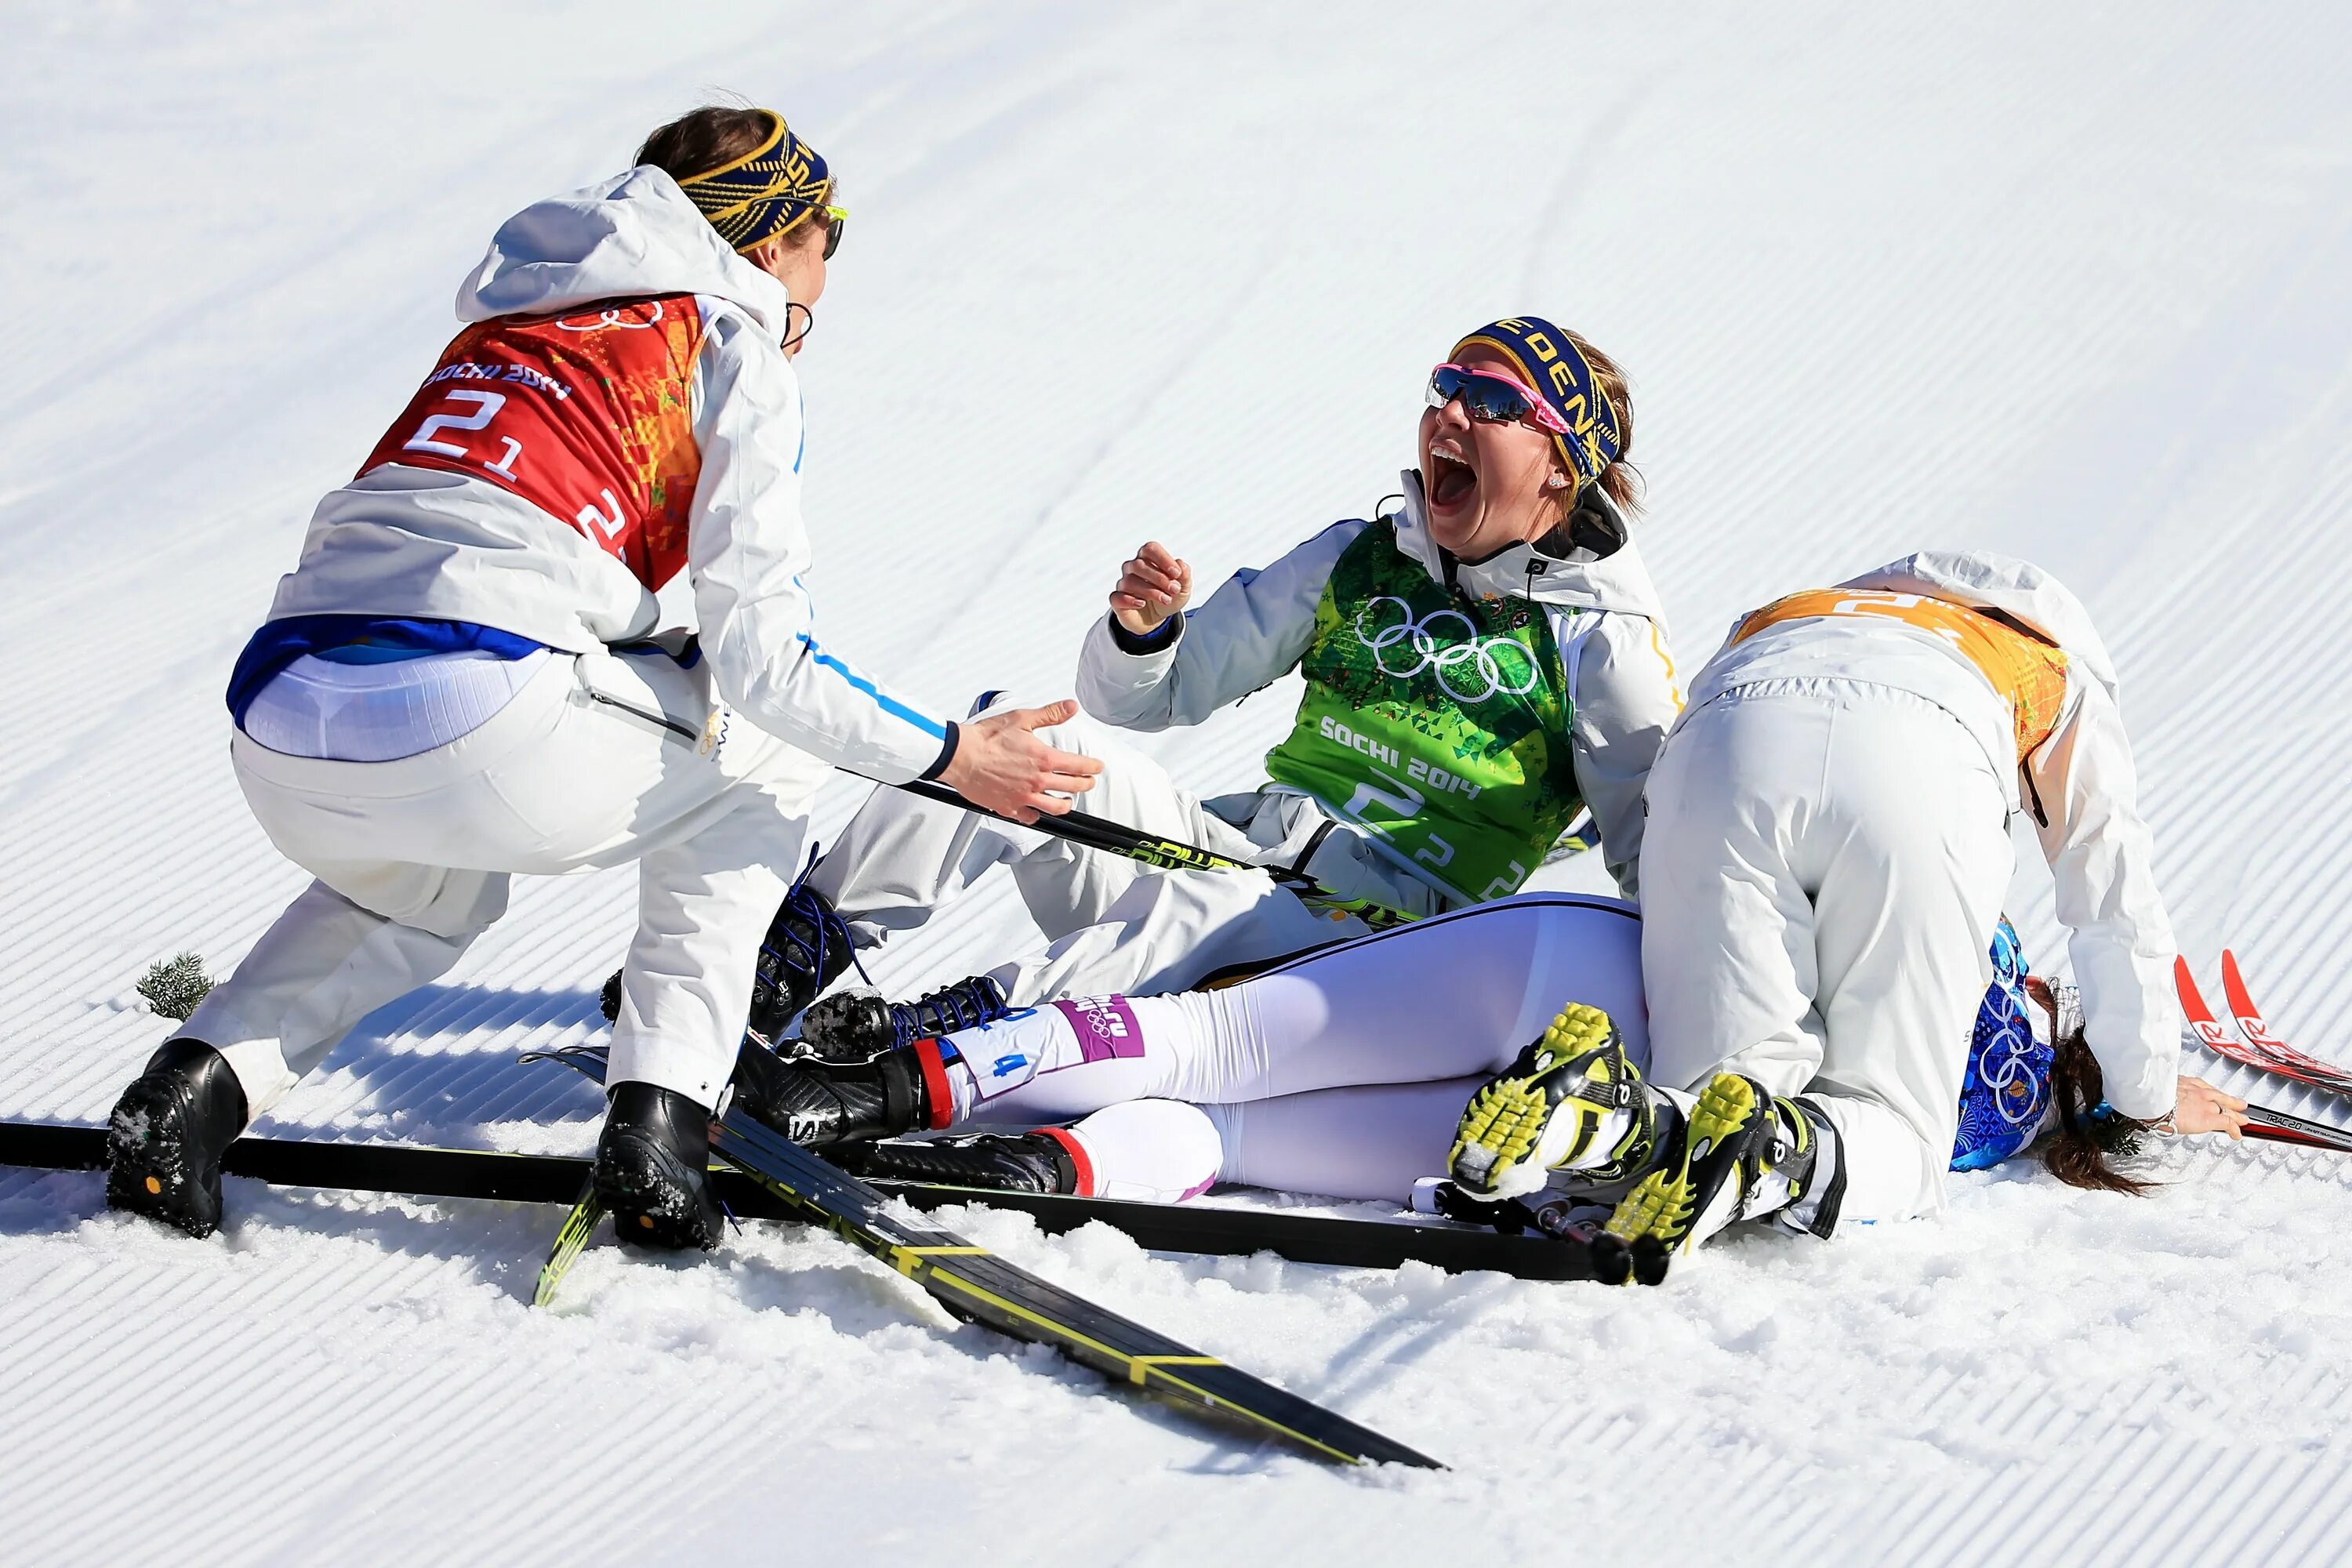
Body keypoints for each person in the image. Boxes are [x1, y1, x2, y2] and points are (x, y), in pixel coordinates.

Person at [103, 103, 1100, 1247]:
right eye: (828, 239)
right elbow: (767, 663)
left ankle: (188, 1094)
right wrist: (953, 757)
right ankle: (662, 1128)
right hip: (470, 710)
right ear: (770, 241)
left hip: (280, 715)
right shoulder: (730, 340)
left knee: (416, 880)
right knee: (766, 750)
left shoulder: (515, 321)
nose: (828, 274)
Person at [722, 318, 1685, 1058]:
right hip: (1235, 852)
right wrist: (1145, 637)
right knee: (1016, 740)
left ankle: (935, 1042)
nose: (1451, 412)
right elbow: (1144, 698)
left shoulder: (1602, 641)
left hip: (1379, 948)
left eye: (1493, 399)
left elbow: (1666, 858)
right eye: (1447, 385)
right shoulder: (1359, 556)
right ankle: (771, 967)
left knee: (1203, 909)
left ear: (1564, 460)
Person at [1446, 550, 2246, 1263]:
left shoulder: (1797, 610)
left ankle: (1592, 1117)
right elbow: (2111, 904)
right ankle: (1776, 1152)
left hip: (1726, 749)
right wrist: (2146, 1093)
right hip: (1917, 762)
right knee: (1889, 1124)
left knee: (1722, 1086)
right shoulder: (2050, 662)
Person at [702, 895, 2241, 1241]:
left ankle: (876, 1099)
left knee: (1215, 1036)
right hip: (1597, 1090)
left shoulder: (1970, 927)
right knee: (1230, 1124)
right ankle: (993, 1169)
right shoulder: (1984, 1126)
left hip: (1576, 975)